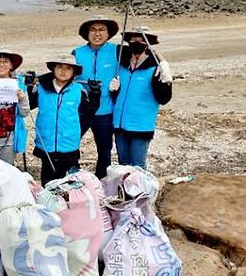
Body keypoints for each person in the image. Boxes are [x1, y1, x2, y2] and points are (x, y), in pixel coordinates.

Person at [27, 54, 100, 185]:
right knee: (48, 182)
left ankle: (69, 204)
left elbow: (89, 112)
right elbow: (28, 105)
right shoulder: (41, 88)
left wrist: (95, 94)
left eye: (68, 68)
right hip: (46, 143)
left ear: (73, 72)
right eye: (60, 67)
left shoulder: (79, 90)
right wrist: (28, 86)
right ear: (53, 69)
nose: (63, 71)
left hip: (69, 146)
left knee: (69, 185)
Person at [110, 26, 173, 169]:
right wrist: (113, 89)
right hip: (119, 123)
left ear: (147, 44)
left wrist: (165, 80)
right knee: (123, 164)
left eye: (141, 40)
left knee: (138, 166)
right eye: (133, 40)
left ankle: (140, 191)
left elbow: (164, 99)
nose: (137, 43)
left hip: (141, 125)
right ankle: (124, 191)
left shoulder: (155, 68)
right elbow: (118, 95)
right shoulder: (122, 65)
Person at [72, 15, 120, 178]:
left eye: (101, 30)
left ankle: (102, 181)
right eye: (93, 29)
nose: (97, 33)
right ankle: (74, 176)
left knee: (105, 150)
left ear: (108, 33)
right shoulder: (77, 53)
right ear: (87, 33)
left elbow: (142, 56)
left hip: (105, 110)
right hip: (81, 109)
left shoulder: (117, 51)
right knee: (71, 144)